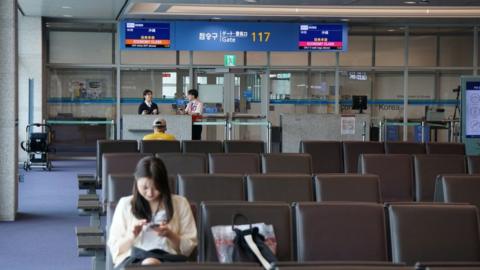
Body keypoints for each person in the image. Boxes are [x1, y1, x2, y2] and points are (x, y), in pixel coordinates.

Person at [107, 157, 197, 269]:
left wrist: (170, 235)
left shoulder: (180, 203)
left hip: (169, 259)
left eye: (156, 188)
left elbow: (189, 247)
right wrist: (132, 235)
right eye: (145, 187)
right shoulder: (125, 204)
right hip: (133, 260)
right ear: (136, 180)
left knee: (151, 263)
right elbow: (115, 248)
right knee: (150, 263)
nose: (150, 193)